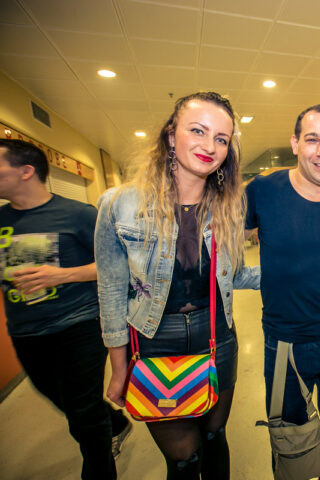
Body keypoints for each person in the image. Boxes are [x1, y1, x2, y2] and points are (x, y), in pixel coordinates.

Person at [95, 92, 260, 480]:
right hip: (154, 339)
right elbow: (112, 290)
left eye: (221, 139)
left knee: (215, 437)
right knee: (184, 457)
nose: (210, 146)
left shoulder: (228, 205)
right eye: (198, 131)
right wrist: (118, 368)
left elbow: (232, 275)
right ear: (171, 136)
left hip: (217, 336)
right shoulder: (119, 204)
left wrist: (294, 272)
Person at [0, 139, 131, 480]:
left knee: (83, 412)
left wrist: (63, 275)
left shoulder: (79, 215)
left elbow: (118, 263)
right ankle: (115, 422)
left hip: (80, 324)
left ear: (26, 171)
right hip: (25, 329)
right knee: (58, 396)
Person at [245, 104, 320, 480]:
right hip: (287, 344)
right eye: (312, 140)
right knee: (289, 434)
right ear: (295, 143)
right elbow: (219, 239)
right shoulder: (263, 190)